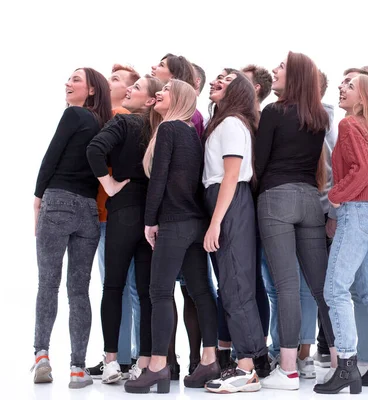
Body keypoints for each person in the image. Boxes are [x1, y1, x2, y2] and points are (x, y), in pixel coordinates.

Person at [124, 80, 218, 394]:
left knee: (160, 293)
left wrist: (150, 221)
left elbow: (159, 179)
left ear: (178, 98)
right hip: (196, 223)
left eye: (165, 89)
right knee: (202, 293)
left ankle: (157, 367)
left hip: (174, 223)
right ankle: (210, 359)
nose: (159, 93)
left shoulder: (168, 130)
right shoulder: (193, 134)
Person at [256, 51, 336, 391]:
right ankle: (338, 361)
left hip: (276, 197)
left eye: (282, 67)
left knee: (287, 286)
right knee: (322, 288)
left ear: (296, 76)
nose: (275, 70)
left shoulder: (274, 111)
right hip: (309, 200)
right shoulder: (319, 116)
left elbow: (258, 163)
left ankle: (288, 369)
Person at [32, 67, 112, 389]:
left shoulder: (74, 115)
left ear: (92, 91)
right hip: (89, 211)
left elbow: (52, 156)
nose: (68, 83)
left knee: (48, 284)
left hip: (59, 202)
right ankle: (78, 369)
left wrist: (38, 198)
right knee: (79, 291)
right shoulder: (104, 125)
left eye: (76, 79)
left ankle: (41, 355)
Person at [314, 74, 368, 395]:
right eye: (342, 83)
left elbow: (358, 171)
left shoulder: (349, 125)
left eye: (350, 85)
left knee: (335, 289)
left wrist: (335, 196)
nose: (341, 88)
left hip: (357, 210)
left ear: (363, 99)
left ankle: (346, 365)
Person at [86, 75, 162, 383]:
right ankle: (144, 363)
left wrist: (109, 184)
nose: (128, 90)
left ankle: (112, 362)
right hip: (152, 215)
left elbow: (94, 150)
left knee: (114, 287)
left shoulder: (124, 123)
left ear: (148, 101)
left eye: (136, 87)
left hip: (123, 211)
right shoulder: (161, 130)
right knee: (145, 293)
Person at [201, 72, 267, 393]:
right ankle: (246, 364)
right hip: (225, 202)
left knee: (237, 286)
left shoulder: (231, 124)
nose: (216, 81)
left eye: (225, 80)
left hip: (230, 203)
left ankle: (246, 369)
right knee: (231, 286)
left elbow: (230, 176)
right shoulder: (223, 122)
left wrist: (215, 223)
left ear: (237, 90)